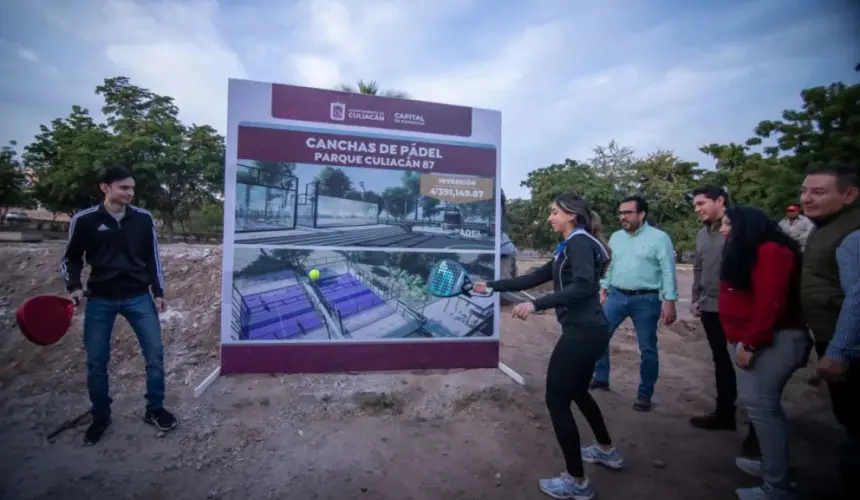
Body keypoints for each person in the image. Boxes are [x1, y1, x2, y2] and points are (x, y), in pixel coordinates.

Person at [472, 193, 622, 500]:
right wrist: (489, 286)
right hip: (591, 330)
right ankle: (607, 450)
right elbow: (535, 277)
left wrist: (537, 306)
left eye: (554, 212)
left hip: (582, 333)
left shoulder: (579, 243)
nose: (550, 218)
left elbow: (582, 287)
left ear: (572, 214)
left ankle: (577, 482)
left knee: (556, 399)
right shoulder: (571, 245)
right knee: (577, 391)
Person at [61, 166, 177, 445]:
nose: (130, 193)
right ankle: (101, 415)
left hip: (139, 296)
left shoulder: (143, 219)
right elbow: (71, 259)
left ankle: (154, 409)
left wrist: (158, 292)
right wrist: (74, 287)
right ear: (105, 187)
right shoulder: (85, 220)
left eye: (132, 188)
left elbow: (153, 258)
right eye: (124, 188)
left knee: (155, 355)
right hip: (100, 299)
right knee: (96, 361)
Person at [718, 205, 811, 500]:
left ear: (746, 226)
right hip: (755, 338)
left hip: (774, 340)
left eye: (728, 224)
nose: (723, 229)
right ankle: (772, 466)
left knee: (763, 407)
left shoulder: (771, 252)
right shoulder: (755, 251)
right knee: (761, 407)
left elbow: (771, 304)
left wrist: (751, 343)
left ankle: (777, 486)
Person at [798, 163, 860, 499]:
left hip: (850, 348)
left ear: (849, 195)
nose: (807, 198)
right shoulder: (827, 227)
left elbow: (859, 297)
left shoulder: (852, 234)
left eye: (818, 192)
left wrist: (839, 350)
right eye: (805, 190)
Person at [688, 186, 761, 458]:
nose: (697, 209)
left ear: (720, 201)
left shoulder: (740, 229)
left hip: (738, 309)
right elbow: (698, 268)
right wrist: (696, 296)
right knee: (721, 362)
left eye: (701, 203)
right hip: (710, 307)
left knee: (748, 366)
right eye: (695, 205)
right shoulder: (702, 234)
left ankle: (758, 432)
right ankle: (724, 414)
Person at [591, 194, 678, 412]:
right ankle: (601, 377)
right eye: (621, 213)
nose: (623, 217)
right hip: (617, 296)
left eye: (628, 213)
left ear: (641, 214)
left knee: (647, 348)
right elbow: (610, 266)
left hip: (646, 299)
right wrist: (603, 288)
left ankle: (644, 394)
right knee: (599, 335)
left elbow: (668, 270)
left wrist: (670, 300)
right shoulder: (616, 237)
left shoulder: (659, 238)